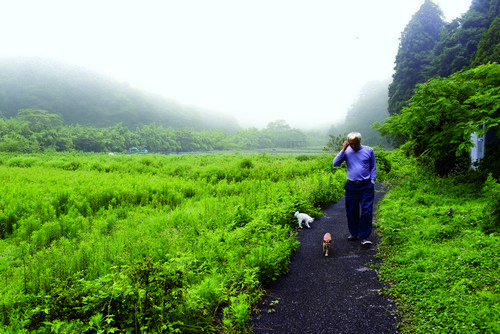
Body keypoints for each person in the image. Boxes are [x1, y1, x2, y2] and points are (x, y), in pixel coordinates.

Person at [333, 132, 377, 245]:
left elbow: (373, 167)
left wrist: (372, 181)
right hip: (351, 186)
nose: (353, 146)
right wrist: (343, 149)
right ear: (348, 142)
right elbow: (335, 163)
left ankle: (365, 236)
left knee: (366, 210)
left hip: (366, 185)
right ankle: (354, 233)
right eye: (351, 143)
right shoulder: (346, 151)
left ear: (359, 141)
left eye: (355, 144)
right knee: (352, 210)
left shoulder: (369, 150)